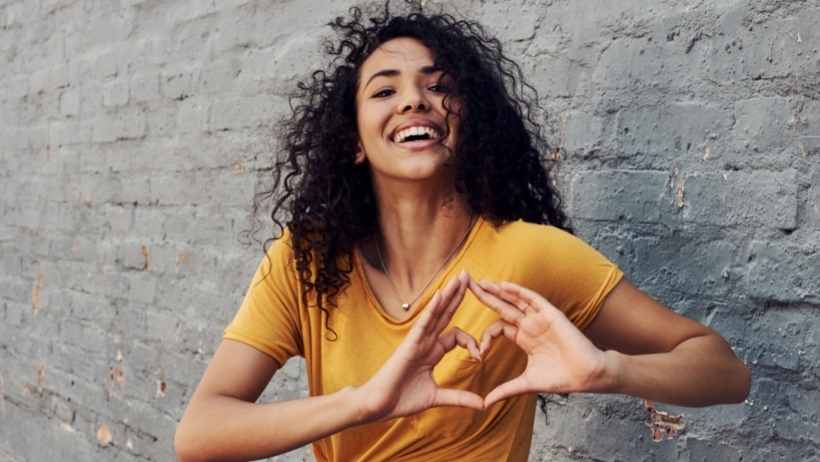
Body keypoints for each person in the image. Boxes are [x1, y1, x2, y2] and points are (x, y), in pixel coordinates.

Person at [174, 2, 751, 461]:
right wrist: (365, 402)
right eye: (384, 90)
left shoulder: (530, 254)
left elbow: (725, 371)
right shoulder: (307, 260)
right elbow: (200, 433)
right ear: (352, 140)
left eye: (437, 84)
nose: (413, 100)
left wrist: (609, 370)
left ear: (467, 118)